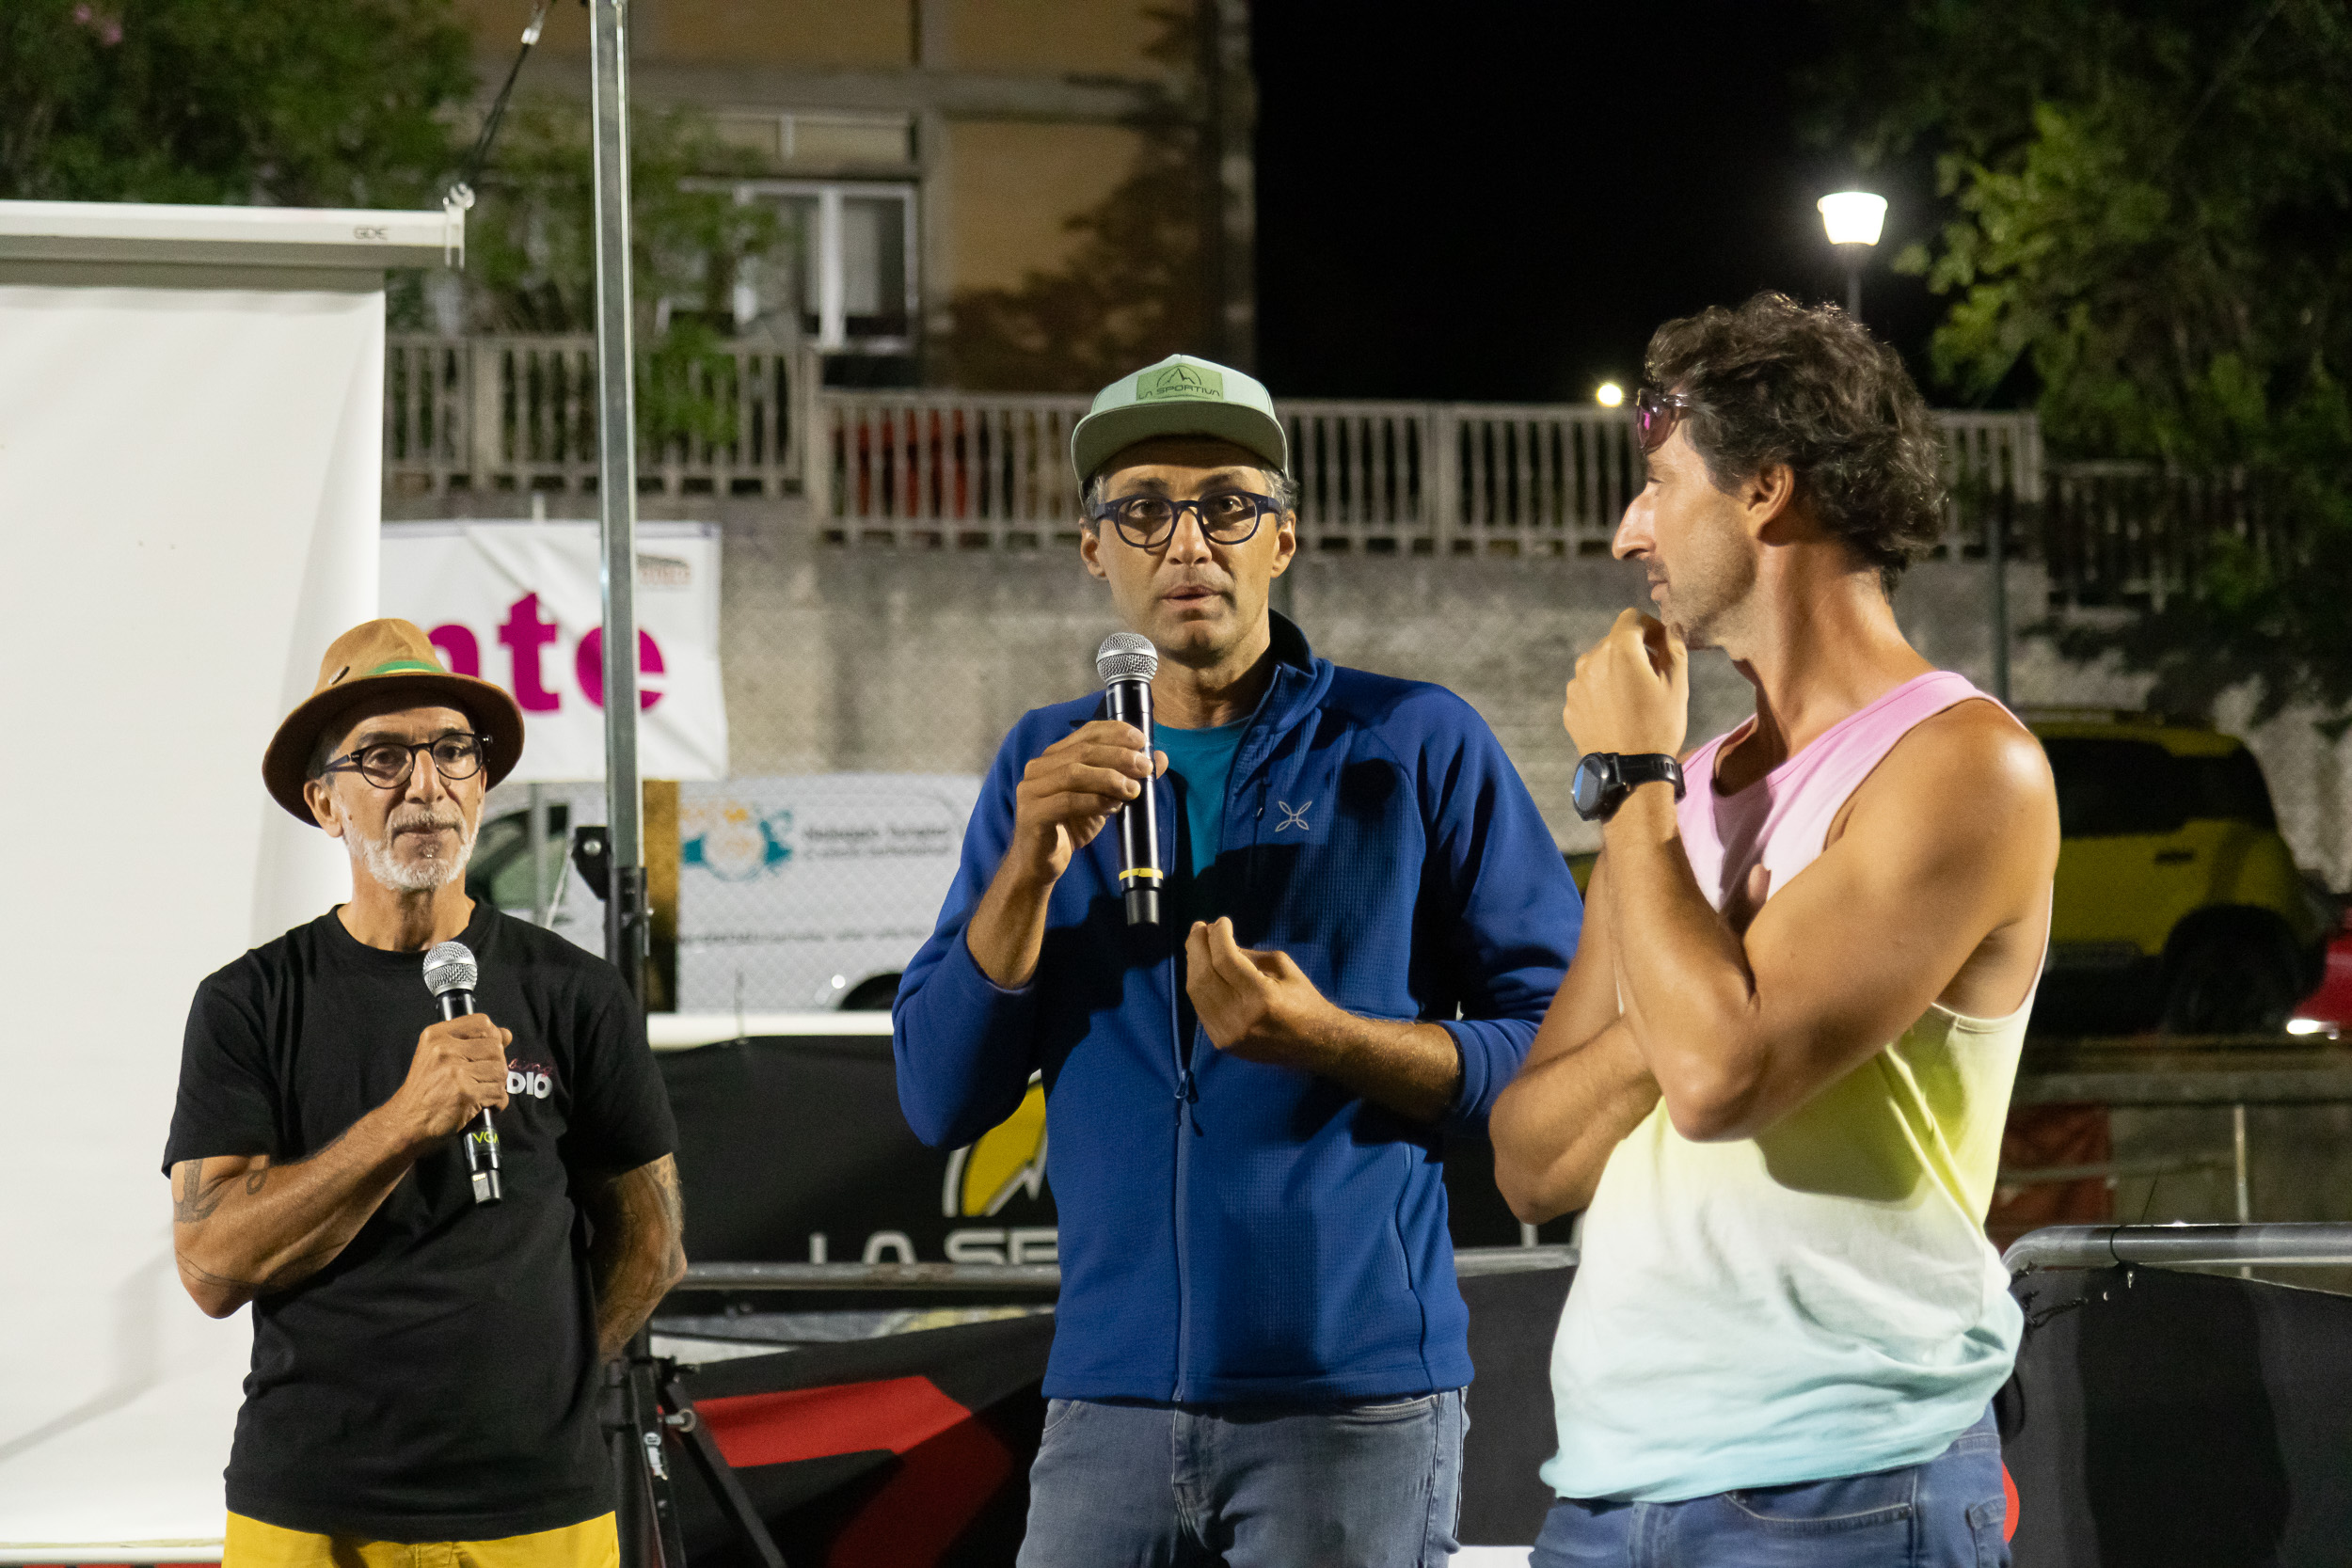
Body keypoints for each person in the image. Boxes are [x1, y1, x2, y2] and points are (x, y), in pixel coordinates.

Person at [894, 354, 1581, 1567]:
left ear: (1284, 538)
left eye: (1226, 504)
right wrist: (1025, 875)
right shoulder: (1043, 764)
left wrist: (1332, 1040)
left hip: (1351, 1401)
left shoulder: (1411, 741)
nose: (1186, 541)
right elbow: (938, 1095)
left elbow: (1561, 1049)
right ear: (1093, 549)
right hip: (1105, 1400)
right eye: (1142, 509)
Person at [1490, 293, 2059, 1564]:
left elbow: (1718, 1079)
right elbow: (1530, 1160)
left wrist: (1633, 785)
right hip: (1605, 1492)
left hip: (1843, 1490)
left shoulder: (1964, 764)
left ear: (1766, 489)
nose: (1627, 529)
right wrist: (1695, 984)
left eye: (1658, 484)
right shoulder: (1678, 794)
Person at [164, 619, 685, 1566]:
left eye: (452, 749)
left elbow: (651, 1245)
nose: (426, 782)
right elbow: (210, 1265)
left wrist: (541, 1391)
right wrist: (404, 1123)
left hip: (537, 1512)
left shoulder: (575, 992)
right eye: (383, 756)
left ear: (480, 782)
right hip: (313, 1509)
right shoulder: (251, 1001)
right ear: (325, 801)